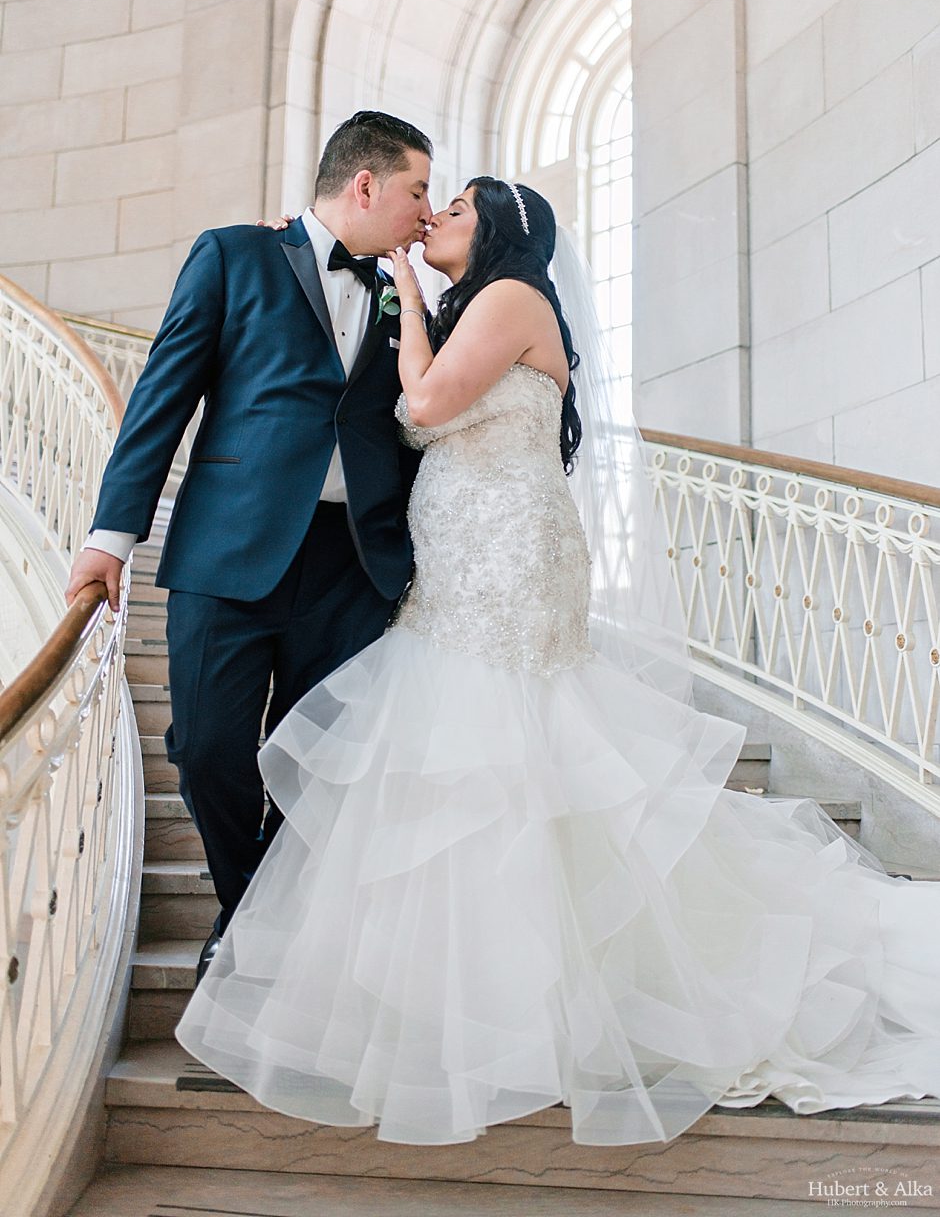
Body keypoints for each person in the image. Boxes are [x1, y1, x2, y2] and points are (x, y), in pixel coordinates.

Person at [176, 176, 940, 1147]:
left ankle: (532, 1016)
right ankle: (486, 1002)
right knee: (475, 762)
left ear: (494, 228)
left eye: (451, 208)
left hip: (503, 563)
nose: (432, 218)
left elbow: (423, 399)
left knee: (499, 750)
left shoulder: (506, 297)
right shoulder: (482, 304)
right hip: (461, 555)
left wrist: (404, 296)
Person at [65, 110, 434, 981]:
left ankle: (257, 933)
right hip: (228, 552)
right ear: (365, 185)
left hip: (355, 564)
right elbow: (163, 397)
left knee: (319, 760)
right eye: (417, 191)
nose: (425, 212)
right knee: (205, 747)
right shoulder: (233, 255)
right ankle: (249, 904)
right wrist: (111, 537)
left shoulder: (415, 293)